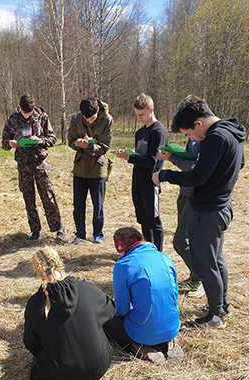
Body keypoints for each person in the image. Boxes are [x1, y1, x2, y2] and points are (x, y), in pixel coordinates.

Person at [152, 96, 245, 328]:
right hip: (221, 205)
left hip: (209, 209)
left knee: (205, 263)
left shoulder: (215, 137)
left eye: (188, 134)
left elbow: (197, 177)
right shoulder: (232, 132)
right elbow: (239, 163)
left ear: (198, 123)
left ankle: (215, 317)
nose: (191, 139)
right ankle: (220, 306)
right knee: (216, 259)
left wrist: (164, 175)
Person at [23, 246, 115, 380]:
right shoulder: (87, 289)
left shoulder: (35, 304)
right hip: (100, 365)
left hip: (61, 374)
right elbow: (110, 310)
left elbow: (30, 342)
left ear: (37, 272)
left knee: (34, 372)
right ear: (60, 262)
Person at [104, 227, 183, 364]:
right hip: (172, 325)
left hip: (142, 330)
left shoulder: (123, 265)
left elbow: (122, 309)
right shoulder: (165, 257)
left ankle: (138, 346)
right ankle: (167, 341)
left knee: (105, 319)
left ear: (119, 246)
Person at [1, 94, 63, 242]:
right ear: (19, 107)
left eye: (29, 112)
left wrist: (40, 140)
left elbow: (53, 139)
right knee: (28, 197)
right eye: (24, 112)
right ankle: (35, 230)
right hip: (23, 164)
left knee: (48, 195)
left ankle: (58, 228)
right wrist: (11, 143)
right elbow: (4, 142)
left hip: (39, 162)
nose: (27, 115)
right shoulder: (12, 119)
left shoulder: (42, 117)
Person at [115, 93, 168, 251]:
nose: (139, 118)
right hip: (137, 180)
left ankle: (158, 253)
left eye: (142, 115)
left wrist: (129, 158)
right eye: (137, 115)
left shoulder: (158, 132)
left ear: (151, 110)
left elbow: (152, 160)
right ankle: (148, 249)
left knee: (154, 220)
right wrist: (128, 156)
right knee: (143, 220)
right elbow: (140, 157)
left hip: (151, 181)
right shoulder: (139, 133)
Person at [159, 137, 204, 298]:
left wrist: (171, 157)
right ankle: (194, 277)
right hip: (184, 192)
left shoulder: (204, 139)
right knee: (186, 239)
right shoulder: (192, 138)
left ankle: (201, 279)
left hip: (195, 195)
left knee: (180, 240)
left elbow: (193, 168)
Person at [68, 97, 113, 244]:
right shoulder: (75, 119)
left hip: (97, 168)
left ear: (98, 110)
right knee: (78, 204)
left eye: (92, 118)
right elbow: (70, 140)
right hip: (80, 168)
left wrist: (89, 147)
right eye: (86, 119)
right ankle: (80, 234)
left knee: (98, 204)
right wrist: (77, 144)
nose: (89, 122)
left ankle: (98, 234)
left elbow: (105, 147)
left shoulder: (107, 120)